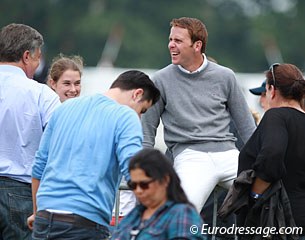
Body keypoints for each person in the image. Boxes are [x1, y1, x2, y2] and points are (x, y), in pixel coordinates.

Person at [27, 70, 160, 239]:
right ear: (137, 94)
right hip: (85, 221)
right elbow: (134, 171)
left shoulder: (65, 108)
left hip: (45, 218)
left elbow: (39, 166)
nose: (139, 117)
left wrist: (37, 212)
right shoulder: (126, 116)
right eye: (142, 110)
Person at [141, 17, 256, 212]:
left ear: (197, 45)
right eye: (170, 40)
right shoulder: (160, 80)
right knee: (182, 213)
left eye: (178, 41)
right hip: (189, 155)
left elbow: (246, 126)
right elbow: (147, 131)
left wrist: (260, 163)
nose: (170, 45)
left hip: (229, 155)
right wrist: (143, 169)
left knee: (268, 198)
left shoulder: (225, 76)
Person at [0, 23, 60, 239]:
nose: (37, 65)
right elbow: (60, 146)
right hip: (21, 192)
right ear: (27, 56)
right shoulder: (41, 94)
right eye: (37, 58)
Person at [237, 63, 305, 238]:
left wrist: (255, 195)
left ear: (272, 90)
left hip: (278, 222)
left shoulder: (276, 116)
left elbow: (272, 156)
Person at [111, 148, 206, 240]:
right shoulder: (134, 215)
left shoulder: (182, 213)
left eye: (144, 184)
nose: (138, 190)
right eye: (133, 185)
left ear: (165, 180)